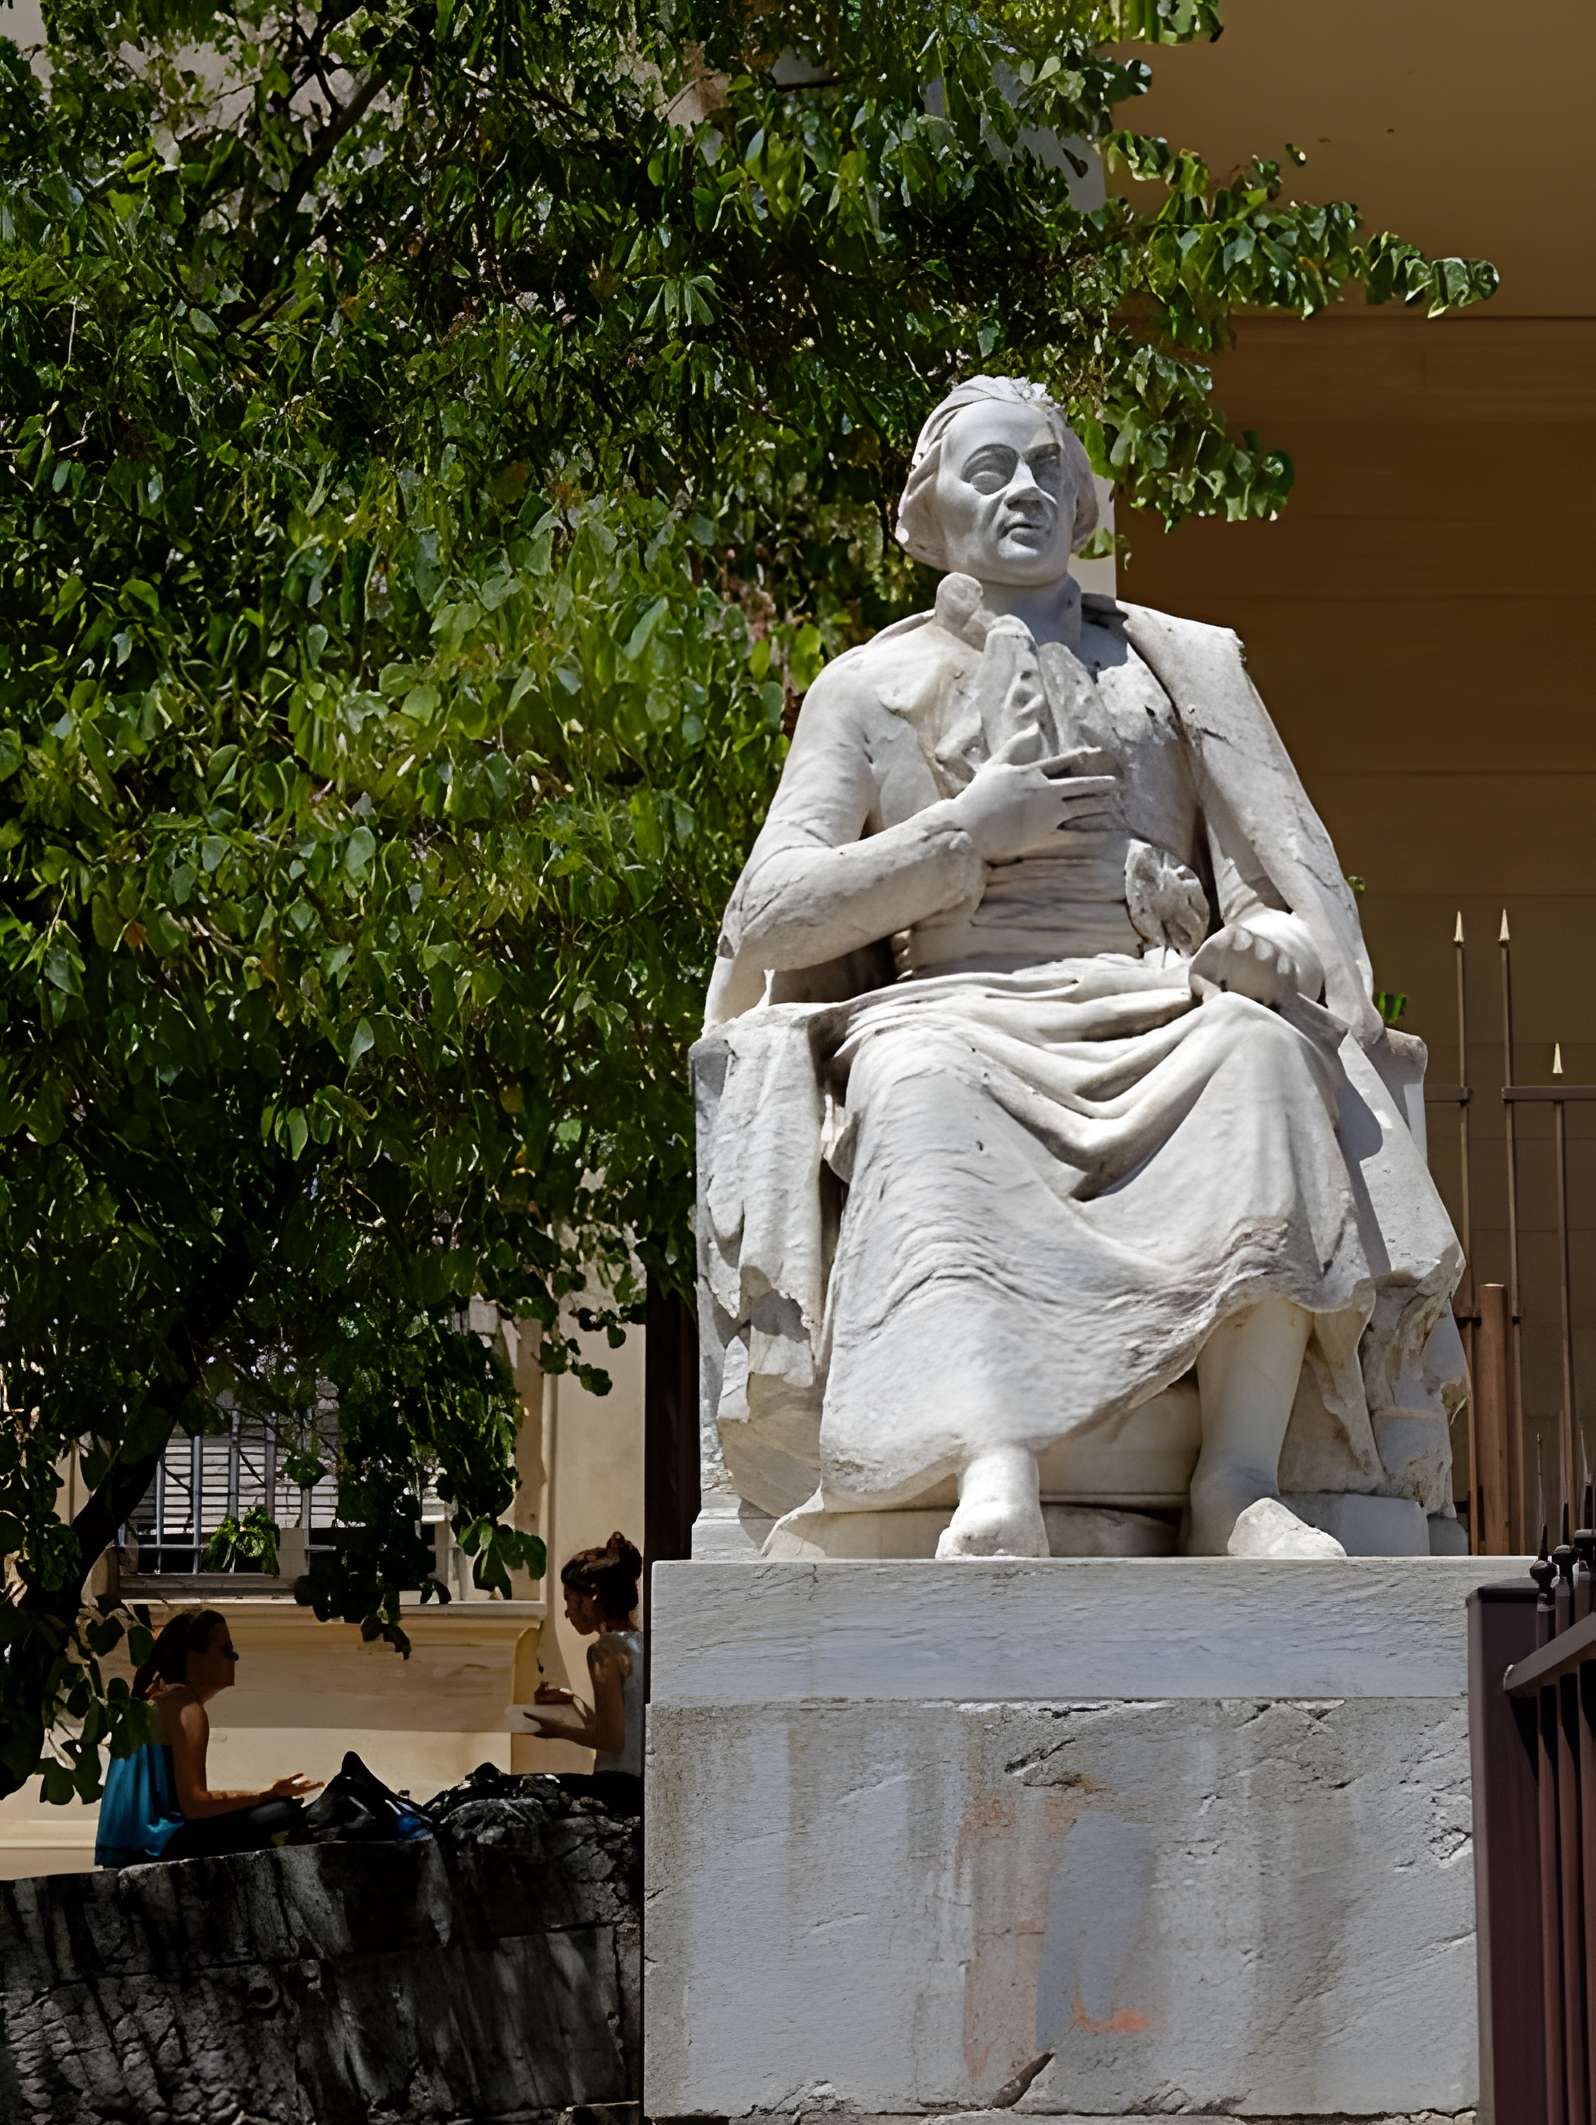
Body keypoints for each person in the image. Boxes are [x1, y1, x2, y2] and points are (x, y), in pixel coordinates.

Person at [699, 373, 1465, 1561]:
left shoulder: (1175, 672)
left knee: (1260, 1056)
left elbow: (1287, 892)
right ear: (929, 512)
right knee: (922, 1086)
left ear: (1087, 502)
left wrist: (1275, 944)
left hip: (1159, 994)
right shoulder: (867, 688)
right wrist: (965, 834)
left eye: (1051, 468)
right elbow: (769, 914)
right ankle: (993, 1464)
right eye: (991, 468)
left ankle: (1240, 1481)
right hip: (956, 1002)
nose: (1026, 491)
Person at [95, 1608, 321, 1868]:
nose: (234, 1658)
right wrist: (265, 1796)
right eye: (226, 1649)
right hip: (159, 1848)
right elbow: (195, 1805)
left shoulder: (149, 1704)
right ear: (193, 1658)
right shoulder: (186, 1710)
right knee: (282, 1813)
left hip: (130, 1850)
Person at [529, 1533, 643, 1815]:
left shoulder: (604, 1650)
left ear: (591, 1598)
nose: (567, 1613)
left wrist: (554, 1729)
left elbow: (611, 1740)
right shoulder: (641, 1644)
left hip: (619, 1788)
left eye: (569, 1599)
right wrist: (573, 1703)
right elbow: (622, 1727)